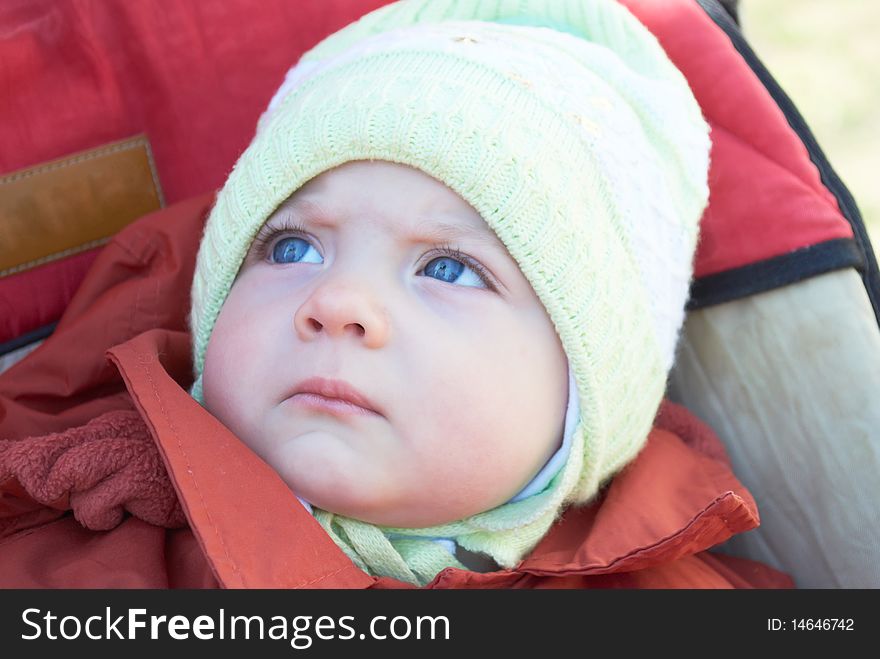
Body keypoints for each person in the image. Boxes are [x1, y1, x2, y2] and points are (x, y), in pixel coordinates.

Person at [0, 0, 792, 589]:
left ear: (589, 391)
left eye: (447, 267)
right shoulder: (76, 565)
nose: (339, 299)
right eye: (292, 246)